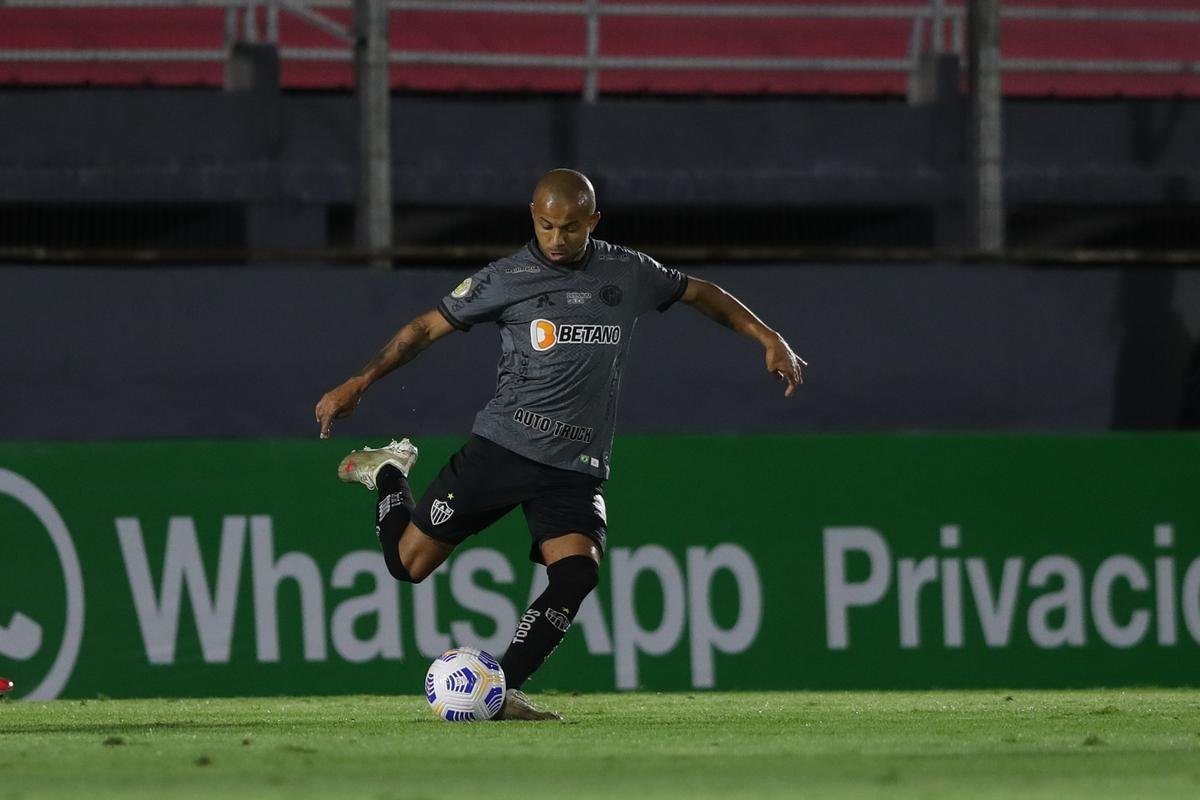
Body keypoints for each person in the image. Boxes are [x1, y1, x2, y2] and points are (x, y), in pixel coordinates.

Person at [314, 169, 805, 720]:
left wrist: (769, 337)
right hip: (503, 448)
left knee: (577, 573)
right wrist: (360, 381)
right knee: (408, 566)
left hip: (575, 465)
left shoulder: (627, 271)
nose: (557, 238)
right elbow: (426, 328)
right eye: (546, 225)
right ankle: (387, 470)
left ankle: (501, 690)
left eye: (570, 227)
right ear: (533, 215)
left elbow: (699, 292)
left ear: (593, 221)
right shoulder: (505, 278)